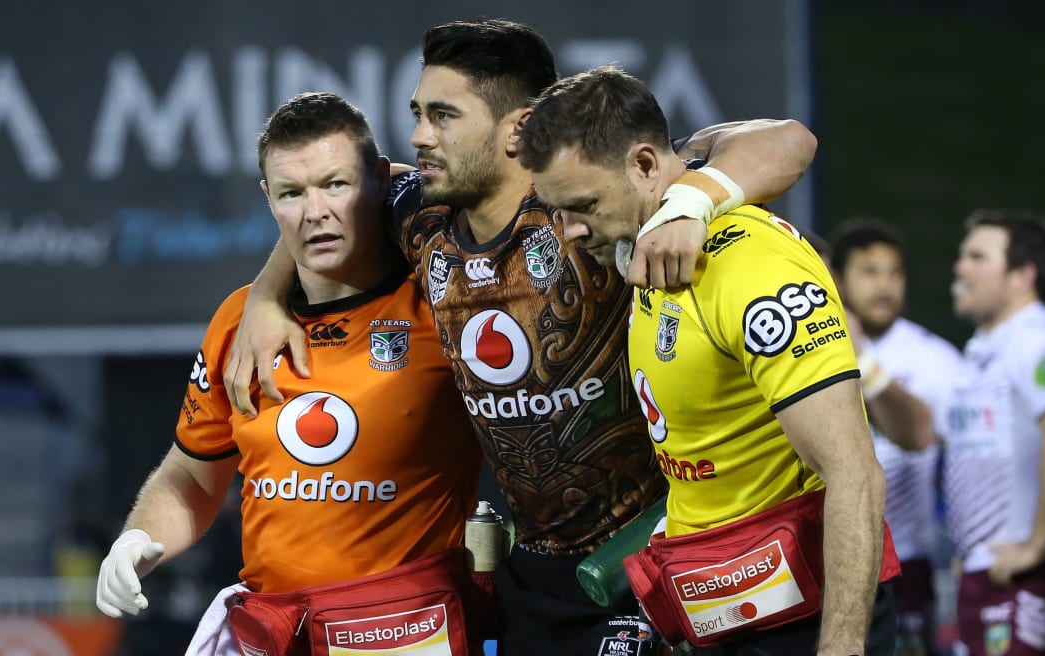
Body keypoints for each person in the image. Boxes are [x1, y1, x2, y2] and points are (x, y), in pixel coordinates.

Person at [223, 19, 818, 656]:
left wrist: (693, 202)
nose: (421, 136)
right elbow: (327, 200)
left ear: (519, 128)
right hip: (533, 576)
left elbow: (788, 139)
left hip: (648, 552)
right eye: (419, 113)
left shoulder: (588, 200)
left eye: (444, 116)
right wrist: (266, 293)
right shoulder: (417, 213)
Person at [517, 65, 899, 655]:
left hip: (802, 625)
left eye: (583, 204)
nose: (568, 231)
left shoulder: (752, 266)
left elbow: (854, 474)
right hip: (720, 612)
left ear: (645, 165)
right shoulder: (649, 248)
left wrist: (842, 648)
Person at [95, 92, 489, 655]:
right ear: (268, 199)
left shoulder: (441, 303)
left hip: (405, 630)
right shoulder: (237, 322)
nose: (314, 212)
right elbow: (192, 475)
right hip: (274, 631)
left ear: (378, 180)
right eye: (291, 194)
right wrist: (138, 537)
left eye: (336, 184)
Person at [830, 219, 963, 656]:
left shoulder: (939, 360)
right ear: (838, 278)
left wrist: (864, 362)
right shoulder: (812, 349)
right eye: (869, 271)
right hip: (831, 557)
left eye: (895, 272)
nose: (885, 284)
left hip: (910, 561)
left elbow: (953, 458)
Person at [944, 209, 1045, 656]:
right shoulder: (989, 349)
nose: (959, 267)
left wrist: (1038, 544)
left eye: (977, 257)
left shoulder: (1035, 339)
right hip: (985, 571)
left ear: (1022, 276)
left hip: (1023, 572)